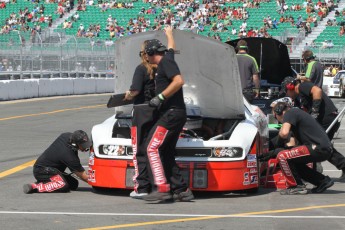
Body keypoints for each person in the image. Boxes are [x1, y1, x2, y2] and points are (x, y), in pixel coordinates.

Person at [123, 25, 176, 199]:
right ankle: (157, 182)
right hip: (157, 110)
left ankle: (142, 186)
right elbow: (171, 51)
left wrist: (127, 95)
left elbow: (135, 91)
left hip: (140, 112)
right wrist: (169, 34)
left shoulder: (141, 69)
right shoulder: (162, 66)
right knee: (152, 149)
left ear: (145, 53)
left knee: (139, 150)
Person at [141, 38, 194, 202]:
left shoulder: (165, 63)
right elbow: (171, 48)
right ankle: (181, 189)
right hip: (174, 114)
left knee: (151, 147)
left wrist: (160, 97)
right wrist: (170, 34)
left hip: (171, 114)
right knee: (166, 151)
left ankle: (162, 188)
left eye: (145, 54)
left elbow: (179, 81)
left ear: (150, 53)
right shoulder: (168, 59)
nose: (145, 58)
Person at [259, 102, 334, 195]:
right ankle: (322, 181)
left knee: (282, 156)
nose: (277, 121)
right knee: (292, 161)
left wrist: (277, 148)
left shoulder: (290, 113)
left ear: (279, 112)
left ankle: (296, 186)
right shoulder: (296, 115)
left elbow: (284, 133)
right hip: (323, 148)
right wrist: (273, 149)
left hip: (317, 147)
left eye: (275, 117)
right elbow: (292, 146)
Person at [281, 76, 345, 180]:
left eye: (286, 91)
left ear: (290, 87)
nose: (287, 95)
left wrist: (314, 112)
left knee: (320, 146)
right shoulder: (300, 96)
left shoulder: (302, 86)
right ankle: (317, 170)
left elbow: (317, 91)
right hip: (325, 118)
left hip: (326, 118)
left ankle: (314, 173)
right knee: (322, 146)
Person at [23, 130, 92, 194]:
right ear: (75, 144)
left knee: (73, 184)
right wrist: (100, 185)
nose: (86, 148)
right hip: (42, 170)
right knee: (62, 185)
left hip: (53, 169)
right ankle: (34, 186)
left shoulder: (67, 136)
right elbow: (84, 177)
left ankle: (45, 182)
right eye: (83, 146)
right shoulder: (69, 156)